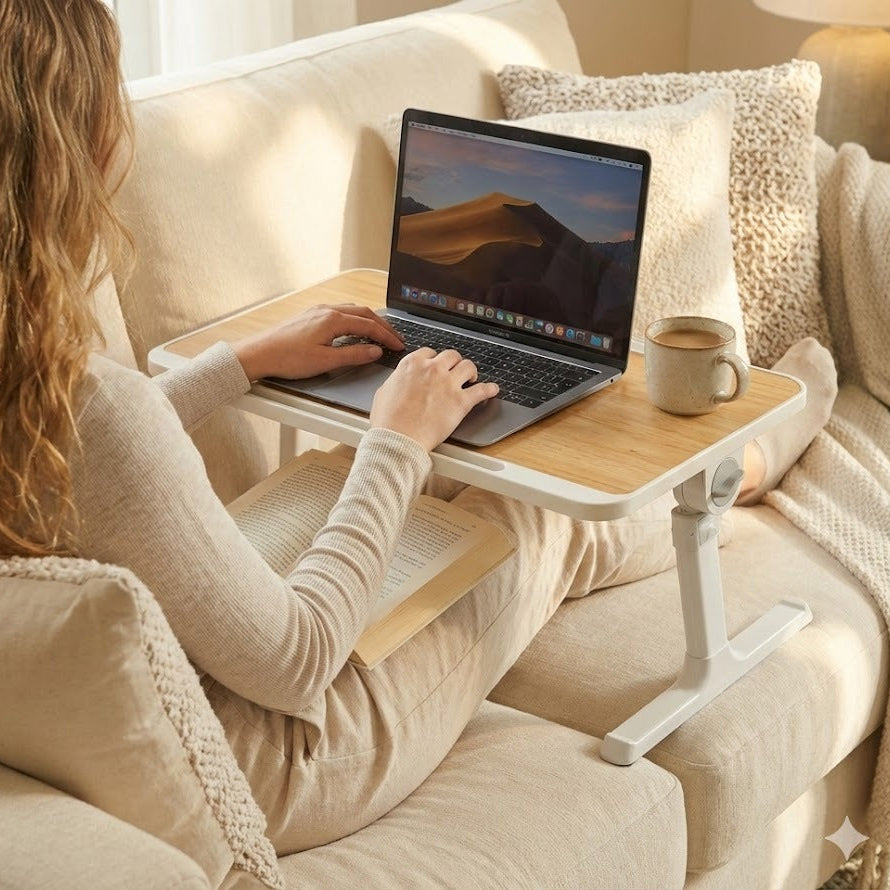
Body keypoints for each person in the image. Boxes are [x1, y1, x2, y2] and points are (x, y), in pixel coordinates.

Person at [0, 0, 838, 854]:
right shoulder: (99, 407)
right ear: (75, 144)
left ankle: (714, 475)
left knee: (415, 468)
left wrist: (244, 363)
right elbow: (296, 661)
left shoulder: (33, 373)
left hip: (185, 690)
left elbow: (84, 462)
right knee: (533, 515)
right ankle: (736, 474)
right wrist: (396, 441)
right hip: (285, 757)